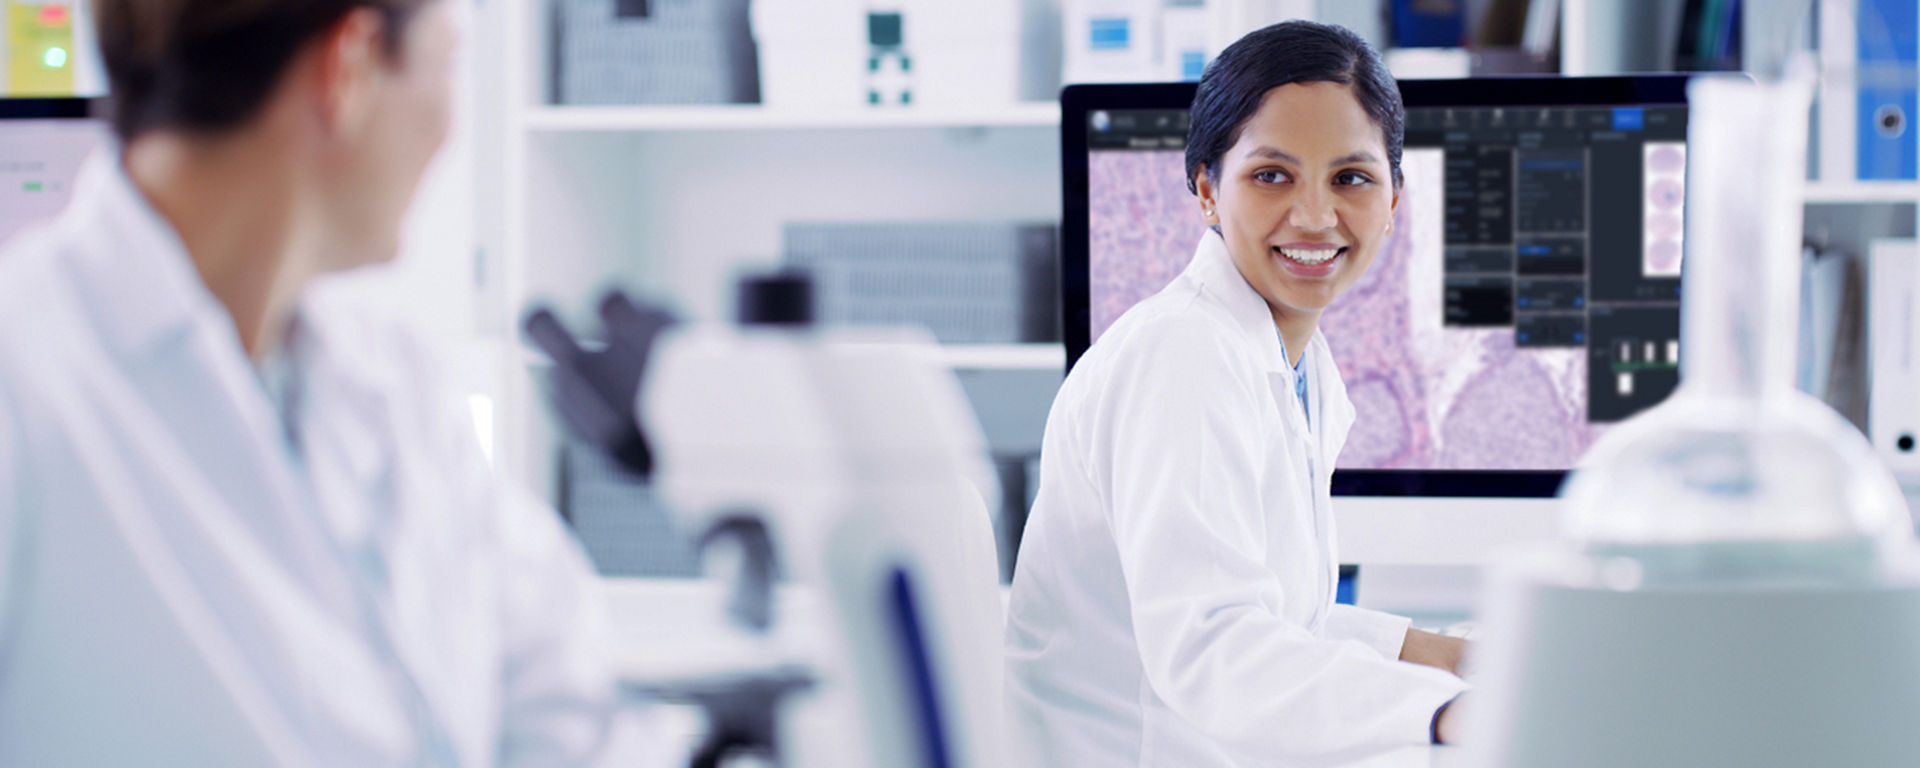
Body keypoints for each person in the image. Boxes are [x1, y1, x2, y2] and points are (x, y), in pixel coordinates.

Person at [0, 1, 663, 764]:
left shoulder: (396, 393)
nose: (448, 131)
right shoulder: (27, 386)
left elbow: (575, 723)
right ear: (348, 67)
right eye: (447, 66)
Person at [1004, 20, 1472, 766]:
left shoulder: (1294, 360)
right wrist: (1454, 714)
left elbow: (1289, 621)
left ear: (1393, 200)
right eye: (1271, 175)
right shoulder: (1180, 355)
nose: (1316, 216)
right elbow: (1215, 647)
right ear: (1206, 191)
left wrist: (1461, 660)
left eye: (1351, 178)